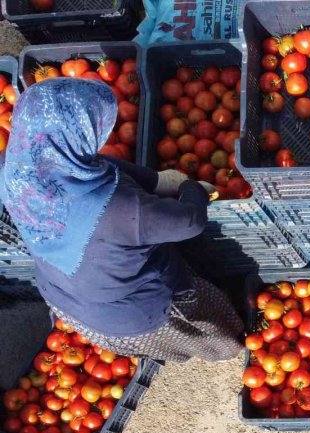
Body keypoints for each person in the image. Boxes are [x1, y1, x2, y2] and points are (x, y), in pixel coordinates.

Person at [0, 78, 243, 362]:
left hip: (63, 295)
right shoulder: (118, 208)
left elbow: (99, 163)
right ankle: (228, 348)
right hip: (133, 311)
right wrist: (192, 188)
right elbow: (190, 222)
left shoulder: (14, 164)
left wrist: (155, 180)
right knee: (202, 324)